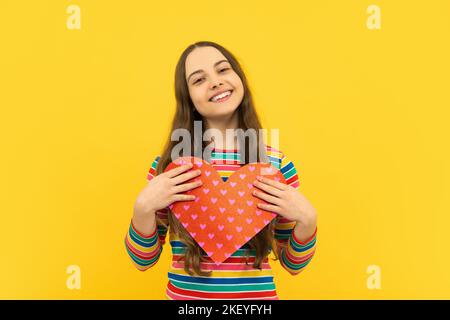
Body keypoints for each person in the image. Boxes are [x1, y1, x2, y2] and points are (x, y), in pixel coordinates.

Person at [124, 41, 318, 300]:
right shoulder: (172, 166)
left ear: (240, 79)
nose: (215, 82)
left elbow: (293, 264)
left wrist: (308, 220)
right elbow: (142, 261)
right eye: (199, 79)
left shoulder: (275, 163)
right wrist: (142, 208)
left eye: (223, 70)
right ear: (189, 99)